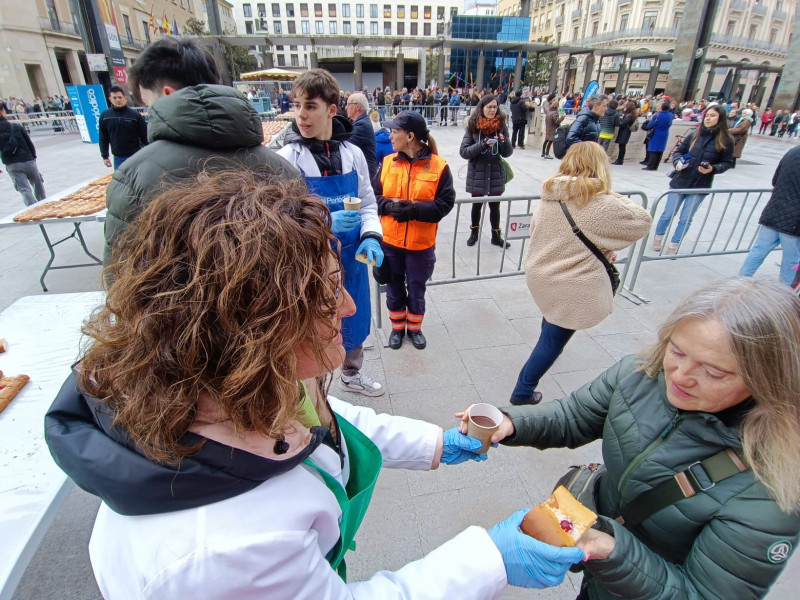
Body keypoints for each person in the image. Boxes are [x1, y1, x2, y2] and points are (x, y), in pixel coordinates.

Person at [45, 171, 585, 600]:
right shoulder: (224, 550)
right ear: (252, 326)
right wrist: (490, 559)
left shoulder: (226, 382)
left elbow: (324, 423)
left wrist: (436, 444)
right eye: (328, 295)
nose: (350, 307)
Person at [461, 277, 800, 600]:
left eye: (712, 372)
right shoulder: (642, 373)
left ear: (767, 378)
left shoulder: (770, 489)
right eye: (677, 351)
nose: (680, 376)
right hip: (601, 563)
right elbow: (575, 415)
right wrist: (510, 422)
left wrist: (611, 550)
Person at [103, 35, 296, 265]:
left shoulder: (134, 178)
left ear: (167, 94)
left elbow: (120, 275)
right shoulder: (283, 169)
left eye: (148, 103)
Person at [508, 142, 651, 405]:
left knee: (551, 322)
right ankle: (522, 392)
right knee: (552, 343)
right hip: (571, 284)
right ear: (599, 167)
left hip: (543, 276)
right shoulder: (599, 203)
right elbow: (641, 220)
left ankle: (528, 380)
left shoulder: (551, 194)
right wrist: (606, 190)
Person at [277, 68, 385, 398]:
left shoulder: (353, 155)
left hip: (350, 260)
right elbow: (279, 220)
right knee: (311, 331)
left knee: (354, 320)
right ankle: (314, 391)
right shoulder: (286, 160)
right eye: (297, 106)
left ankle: (352, 374)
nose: (301, 115)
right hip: (310, 265)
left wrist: (371, 236)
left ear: (332, 110)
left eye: (310, 106)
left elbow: (367, 202)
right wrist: (323, 223)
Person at [374, 111, 455, 350]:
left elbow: (445, 204)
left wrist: (415, 210)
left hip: (421, 245)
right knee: (394, 288)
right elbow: (373, 197)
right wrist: (388, 206)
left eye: (394, 131)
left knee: (417, 290)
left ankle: (415, 329)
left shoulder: (439, 166)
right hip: (391, 243)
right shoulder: (387, 163)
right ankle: (397, 329)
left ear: (410, 136)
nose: (390, 135)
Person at [652, 105, 734, 254]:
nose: (708, 118)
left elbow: (728, 163)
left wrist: (713, 168)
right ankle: (658, 236)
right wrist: (677, 162)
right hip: (681, 181)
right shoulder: (695, 134)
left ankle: (674, 245)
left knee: (686, 218)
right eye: (707, 115)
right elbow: (679, 151)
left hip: (700, 185)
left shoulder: (726, 140)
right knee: (668, 214)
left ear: (720, 119)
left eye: (713, 116)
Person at [739, 145, 800, 285]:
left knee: (758, 251)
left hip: (774, 211)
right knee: (791, 260)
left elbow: (775, 180)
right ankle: (785, 295)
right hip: (794, 220)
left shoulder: (792, 151)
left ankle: (738, 283)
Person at [460, 93, 513, 249]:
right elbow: (464, 152)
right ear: (482, 108)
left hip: (495, 173)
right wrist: (482, 145)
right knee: (477, 205)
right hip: (478, 173)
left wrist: (504, 142)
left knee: (495, 206)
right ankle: (474, 233)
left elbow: (507, 153)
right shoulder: (473, 126)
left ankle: (496, 236)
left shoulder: (501, 126)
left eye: (495, 107)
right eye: (489, 107)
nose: (492, 110)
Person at [0, 103, 46, 206]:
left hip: (12, 164)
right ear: (3, 112)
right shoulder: (15, 126)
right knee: (38, 185)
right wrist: (33, 157)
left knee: (24, 189)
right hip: (28, 160)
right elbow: (29, 143)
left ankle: (33, 211)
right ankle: (44, 204)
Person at [98, 85, 148, 170]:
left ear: (125, 98)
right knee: (121, 181)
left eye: (120, 97)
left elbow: (144, 135)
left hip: (135, 155)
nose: (118, 100)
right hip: (118, 157)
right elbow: (103, 138)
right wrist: (105, 156)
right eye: (114, 98)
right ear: (110, 99)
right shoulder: (105, 116)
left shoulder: (135, 115)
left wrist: (149, 153)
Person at [344, 92, 378, 180]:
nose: (346, 108)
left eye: (348, 104)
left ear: (357, 106)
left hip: (366, 176)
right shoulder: (361, 122)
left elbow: (344, 145)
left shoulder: (362, 125)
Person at [640, 101, 674, 171]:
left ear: (661, 108)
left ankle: (650, 166)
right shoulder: (671, 115)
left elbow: (650, 126)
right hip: (665, 133)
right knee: (660, 150)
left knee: (653, 150)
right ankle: (656, 166)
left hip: (656, 133)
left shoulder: (657, 116)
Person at [612, 100, 638, 165]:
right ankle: (620, 160)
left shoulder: (629, 115)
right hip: (626, 132)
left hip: (624, 132)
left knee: (622, 146)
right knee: (622, 146)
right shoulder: (631, 115)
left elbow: (624, 124)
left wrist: (619, 122)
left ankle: (620, 160)